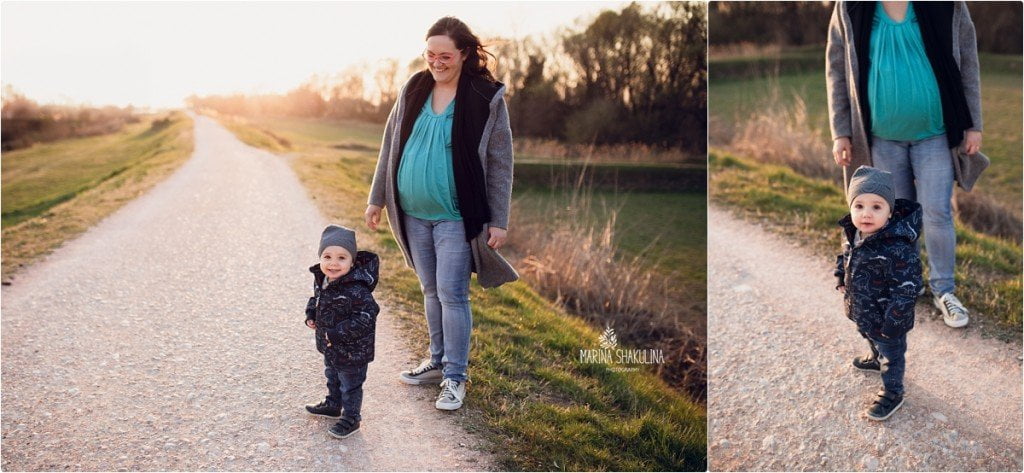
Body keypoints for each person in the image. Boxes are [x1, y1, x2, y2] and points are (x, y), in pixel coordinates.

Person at [365, 16, 517, 411]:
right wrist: (377, 197)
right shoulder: (415, 87)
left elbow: (500, 162)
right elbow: (390, 144)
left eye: (445, 55)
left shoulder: (485, 97)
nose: (437, 62)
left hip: (455, 215)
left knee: (452, 294)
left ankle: (455, 377)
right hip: (412, 212)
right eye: (430, 54)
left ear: (464, 54)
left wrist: (498, 219)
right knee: (430, 290)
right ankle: (435, 362)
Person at [826, 1, 982, 328]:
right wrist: (840, 131)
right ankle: (907, 282)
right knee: (894, 216)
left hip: (935, 134)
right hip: (881, 138)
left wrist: (974, 124)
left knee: (936, 211)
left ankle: (944, 291)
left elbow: (968, 59)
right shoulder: (850, 6)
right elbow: (836, 69)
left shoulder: (946, 4)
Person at [834, 166, 923, 421]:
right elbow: (845, 255)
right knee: (867, 334)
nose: (866, 214)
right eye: (859, 206)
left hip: (889, 319)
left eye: (876, 207)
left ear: (890, 212)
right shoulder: (854, 234)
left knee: (892, 355)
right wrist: (841, 275)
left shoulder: (898, 248)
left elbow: (907, 289)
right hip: (863, 309)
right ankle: (874, 357)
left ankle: (893, 392)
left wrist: (894, 322)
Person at [303, 225, 380, 438]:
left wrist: (336, 333)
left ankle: (351, 417)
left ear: (352, 262)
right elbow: (316, 300)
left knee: (351, 384)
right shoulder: (324, 280)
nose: (333, 263)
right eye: (327, 256)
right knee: (333, 375)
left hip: (353, 350)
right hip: (331, 347)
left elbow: (366, 317)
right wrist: (311, 315)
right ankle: (333, 404)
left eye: (341, 258)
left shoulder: (357, 289)